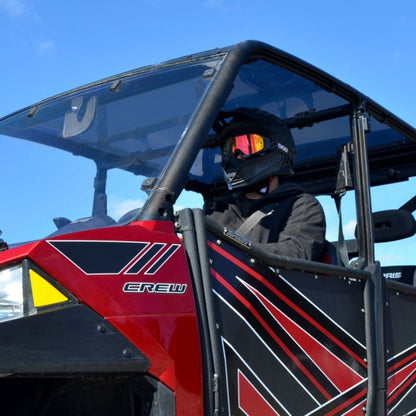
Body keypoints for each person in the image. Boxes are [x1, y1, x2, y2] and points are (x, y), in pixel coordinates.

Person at [205, 107, 326, 261]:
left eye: (249, 145)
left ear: (276, 148)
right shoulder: (221, 210)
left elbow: (296, 252)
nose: (238, 155)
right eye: (232, 148)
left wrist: (223, 249)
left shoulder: (302, 205)